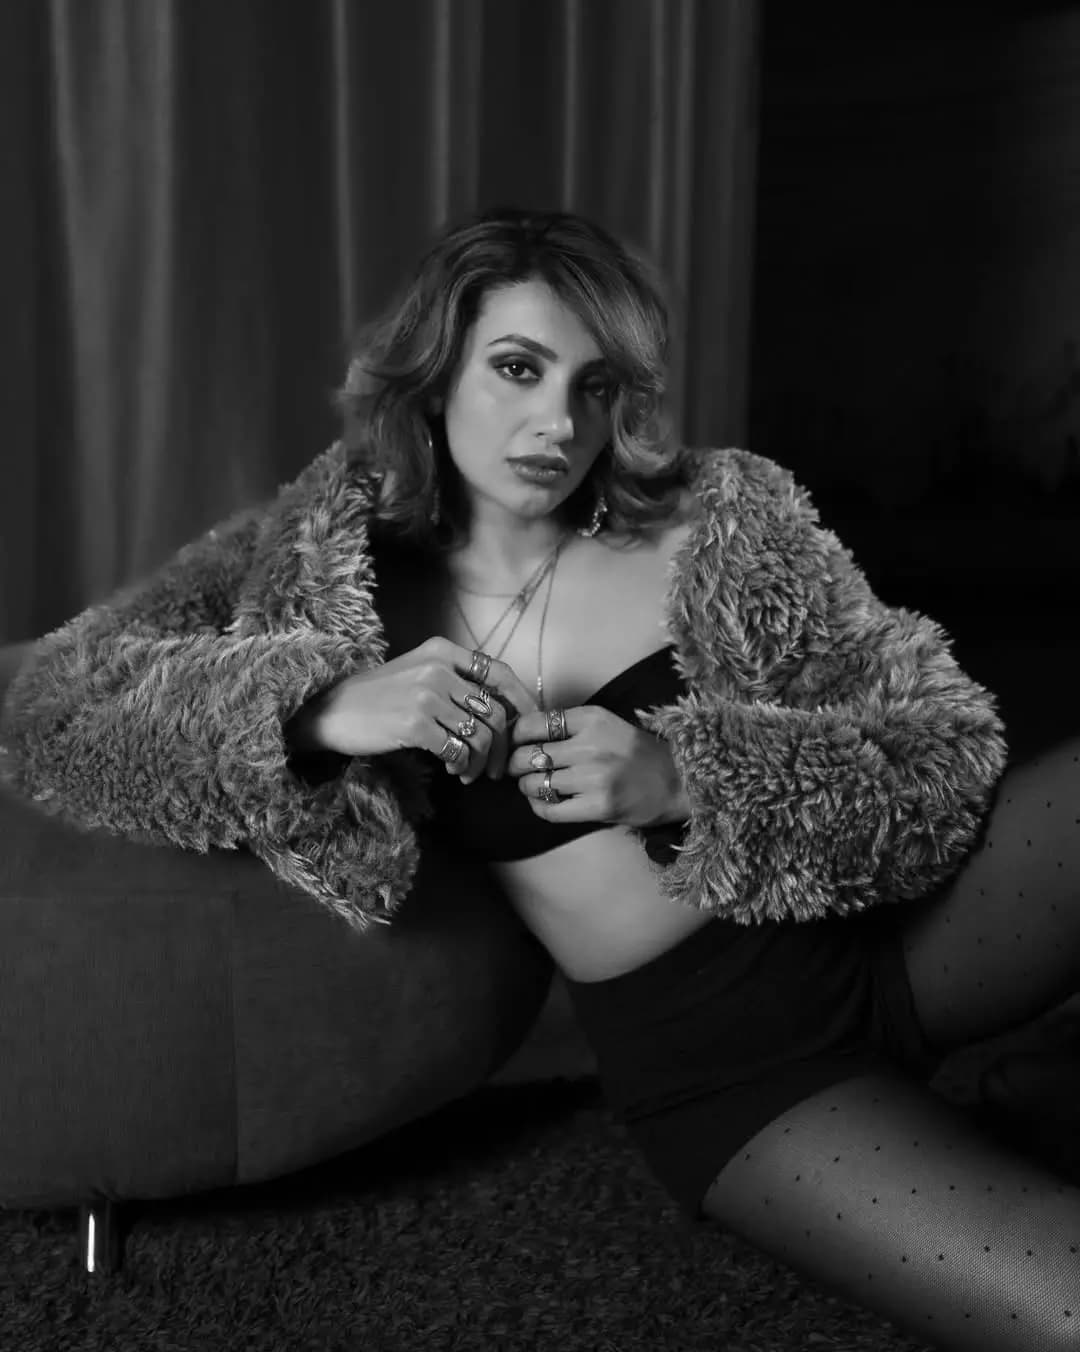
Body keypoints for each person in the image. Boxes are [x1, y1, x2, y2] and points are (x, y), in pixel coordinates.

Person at [2, 204, 1079, 1350]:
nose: (558, 423)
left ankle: (1023, 1086)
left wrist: (689, 779)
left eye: (595, 385)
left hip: (906, 937)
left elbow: (943, 750)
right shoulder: (316, 566)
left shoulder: (722, 519)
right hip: (739, 1070)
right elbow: (51, 703)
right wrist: (316, 707)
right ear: (434, 373)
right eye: (518, 369)